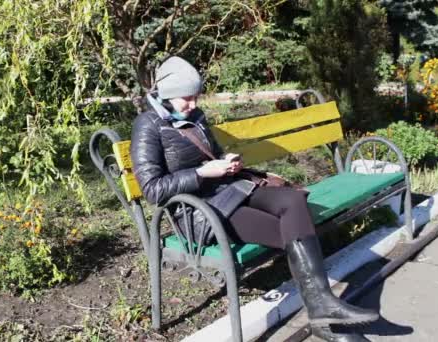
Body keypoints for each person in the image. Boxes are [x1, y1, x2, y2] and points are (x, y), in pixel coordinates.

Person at [130, 56, 377, 342]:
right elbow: (153, 189)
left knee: (294, 203)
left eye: (196, 97)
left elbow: (213, 153)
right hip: (200, 213)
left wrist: (227, 162)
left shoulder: (195, 118)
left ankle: (323, 307)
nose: (194, 104)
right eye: (188, 98)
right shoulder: (147, 126)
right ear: (169, 94)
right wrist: (202, 173)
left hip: (231, 189)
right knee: (290, 229)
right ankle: (325, 318)